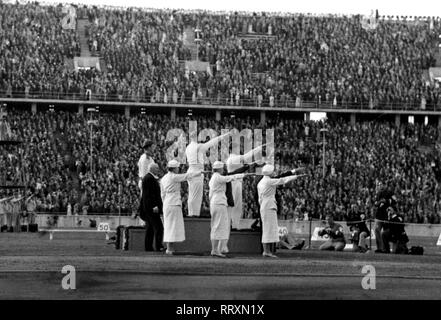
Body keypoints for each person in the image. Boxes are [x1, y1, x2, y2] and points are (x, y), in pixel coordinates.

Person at [257, 164, 305, 258]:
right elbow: (282, 180)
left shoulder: (261, 182)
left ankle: (267, 251)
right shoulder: (269, 181)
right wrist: (296, 176)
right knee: (268, 230)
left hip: (264, 205)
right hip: (269, 206)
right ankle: (266, 251)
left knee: (268, 229)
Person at [160, 160, 202, 255]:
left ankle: (170, 248)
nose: (178, 169)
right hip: (173, 203)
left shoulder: (163, 178)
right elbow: (187, 175)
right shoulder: (174, 177)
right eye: (177, 167)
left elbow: (162, 194)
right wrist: (200, 172)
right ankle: (169, 248)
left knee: (168, 226)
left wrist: (165, 203)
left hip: (167, 203)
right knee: (172, 226)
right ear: (174, 168)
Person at [185, 130, 231, 217]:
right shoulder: (198, 147)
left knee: (192, 194)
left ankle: (191, 213)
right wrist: (224, 136)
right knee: (196, 196)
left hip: (191, 171)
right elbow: (212, 142)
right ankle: (194, 214)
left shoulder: (188, 147)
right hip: (197, 172)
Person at [209, 161, 245, 257]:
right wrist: (240, 176)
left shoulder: (214, 177)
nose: (223, 170)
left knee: (216, 226)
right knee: (218, 226)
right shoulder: (217, 177)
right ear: (219, 169)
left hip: (215, 202)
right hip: (219, 203)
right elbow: (229, 178)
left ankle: (215, 249)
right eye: (222, 168)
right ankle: (215, 250)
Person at [139, 163, 164, 252]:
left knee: (150, 229)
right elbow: (148, 195)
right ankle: (159, 246)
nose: (158, 170)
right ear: (152, 169)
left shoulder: (149, 178)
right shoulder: (149, 178)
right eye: (157, 168)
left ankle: (148, 247)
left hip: (149, 208)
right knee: (159, 228)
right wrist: (152, 207)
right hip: (152, 209)